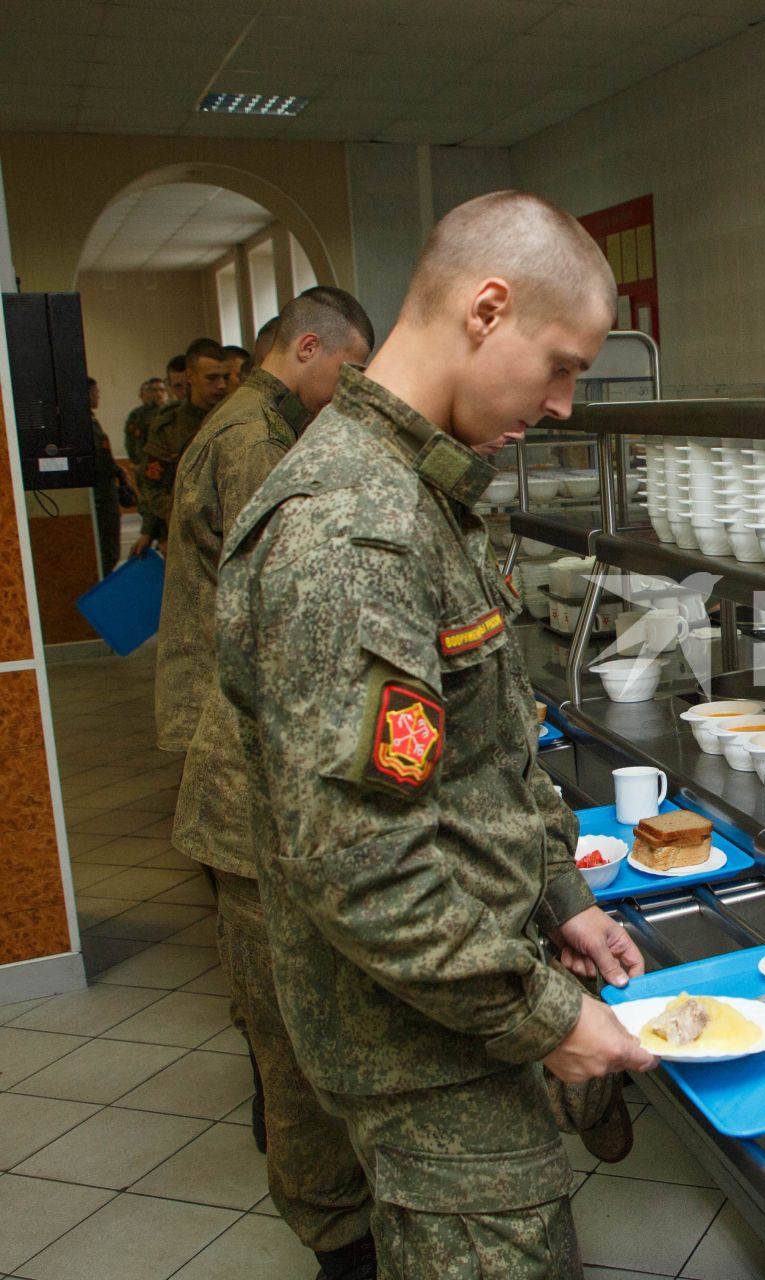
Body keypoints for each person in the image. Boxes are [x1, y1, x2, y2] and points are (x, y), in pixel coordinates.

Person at [216, 191, 652, 1277]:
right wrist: (551, 1015)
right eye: (557, 365)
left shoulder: (431, 495)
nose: (559, 404)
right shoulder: (351, 532)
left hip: (465, 992)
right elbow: (365, 867)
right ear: (486, 307)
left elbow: (481, 756)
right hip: (421, 1037)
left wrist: (563, 895)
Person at [157, 286, 378, 1278]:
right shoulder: (256, 440)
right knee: (289, 1025)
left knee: (273, 1015)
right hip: (246, 772)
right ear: (308, 347)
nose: (354, 390)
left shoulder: (249, 421)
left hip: (238, 741)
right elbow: (290, 599)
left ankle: (314, 1177)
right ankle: (338, 1235)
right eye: (350, 369)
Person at [131, 337, 230, 556]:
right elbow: (153, 488)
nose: (221, 385)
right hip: (187, 539)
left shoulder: (237, 419)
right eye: (212, 378)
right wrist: (182, 519)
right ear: (190, 377)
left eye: (225, 377)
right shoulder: (169, 428)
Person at [85, 378, 132, 577]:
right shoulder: (84, 425)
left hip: (107, 492)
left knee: (111, 550)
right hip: (101, 497)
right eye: (95, 393)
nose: (97, 397)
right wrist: (118, 471)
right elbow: (100, 460)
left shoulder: (92, 421)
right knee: (107, 550)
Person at [123, 375, 166, 469]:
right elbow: (130, 440)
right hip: (146, 463)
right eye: (154, 390)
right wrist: (134, 461)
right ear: (149, 393)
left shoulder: (172, 411)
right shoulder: (139, 415)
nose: (159, 393)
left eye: (162, 390)